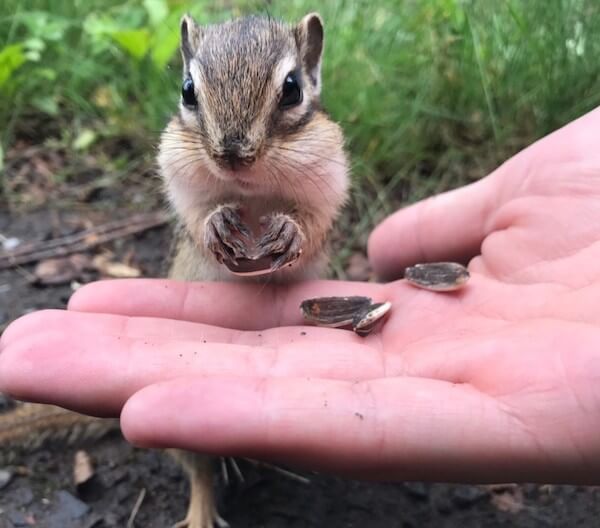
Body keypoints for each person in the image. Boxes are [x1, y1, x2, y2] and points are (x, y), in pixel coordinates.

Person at [2, 107, 600, 484]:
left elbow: (320, 222)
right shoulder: (186, 152)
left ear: (307, 75)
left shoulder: (316, 151)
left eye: (284, 98)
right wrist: (212, 225)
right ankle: (202, 486)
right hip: (211, 300)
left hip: (297, 301)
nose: (235, 157)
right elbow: (193, 219)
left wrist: (297, 231)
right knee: (176, 393)